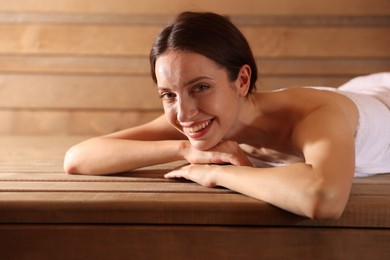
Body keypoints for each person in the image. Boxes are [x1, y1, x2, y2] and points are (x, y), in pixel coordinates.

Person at [63, 11, 390, 219]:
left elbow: (324, 198)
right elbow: (78, 159)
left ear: (242, 80)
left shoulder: (316, 115)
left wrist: (216, 175)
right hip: (361, 91)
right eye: (168, 94)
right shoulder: (193, 117)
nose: (184, 111)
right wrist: (185, 150)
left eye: (201, 87)